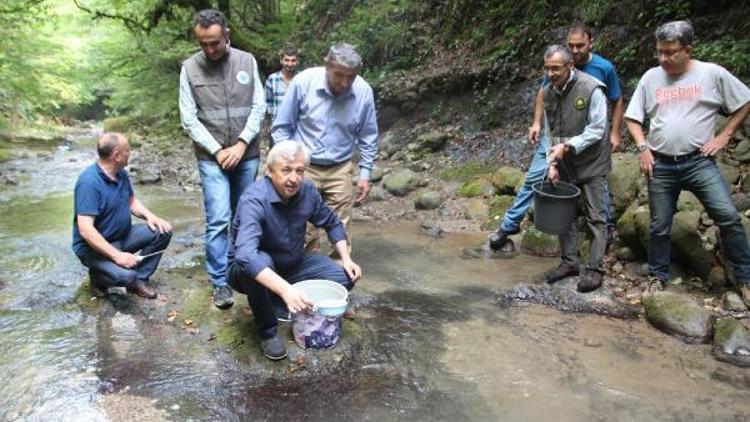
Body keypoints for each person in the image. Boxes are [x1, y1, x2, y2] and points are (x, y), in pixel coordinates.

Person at [625, 21, 750, 304]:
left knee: (729, 217)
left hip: (699, 161)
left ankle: (745, 278)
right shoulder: (651, 78)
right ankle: (657, 277)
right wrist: (643, 148)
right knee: (659, 226)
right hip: (661, 163)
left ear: (688, 50)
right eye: (660, 52)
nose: (663, 59)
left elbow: (744, 101)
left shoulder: (712, 74)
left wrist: (724, 136)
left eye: (670, 52)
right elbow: (633, 119)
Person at [490, 23, 623, 251]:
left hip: (587, 134)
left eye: (579, 45)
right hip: (556, 133)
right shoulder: (556, 65)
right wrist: (537, 122)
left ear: (591, 42)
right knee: (535, 176)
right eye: (571, 45)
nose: (575, 50)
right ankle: (509, 224)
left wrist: (615, 132)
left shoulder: (603, 68)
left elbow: (616, 99)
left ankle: (605, 228)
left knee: (596, 179)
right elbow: (544, 92)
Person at [228, 140, 362, 360]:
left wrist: (346, 259)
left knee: (345, 277)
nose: (294, 178)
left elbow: (332, 223)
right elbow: (245, 256)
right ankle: (268, 331)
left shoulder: (307, 190)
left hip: (292, 264)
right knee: (257, 262)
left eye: (300, 171)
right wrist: (285, 290)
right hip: (249, 271)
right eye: (286, 170)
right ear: (270, 171)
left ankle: (278, 300)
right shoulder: (254, 200)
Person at [179, 9, 266, 310]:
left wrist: (241, 145)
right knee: (218, 219)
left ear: (226, 35)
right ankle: (219, 283)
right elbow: (189, 119)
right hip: (210, 157)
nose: (209, 50)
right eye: (203, 44)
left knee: (245, 216)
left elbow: (259, 106)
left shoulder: (247, 61)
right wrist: (218, 150)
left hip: (247, 154)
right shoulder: (189, 69)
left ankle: (244, 270)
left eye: (215, 42)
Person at [271, 42, 379, 254]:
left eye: (351, 76)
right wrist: (287, 167)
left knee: (341, 230)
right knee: (302, 227)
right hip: (304, 167)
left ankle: (340, 279)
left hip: (340, 167)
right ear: (327, 65)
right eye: (339, 75)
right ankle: (304, 276)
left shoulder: (363, 91)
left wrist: (365, 174)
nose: (345, 82)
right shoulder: (303, 82)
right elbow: (282, 127)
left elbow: (368, 135)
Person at [541, 45, 611, 293]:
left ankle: (595, 269)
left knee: (596, 216)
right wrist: (551, 164)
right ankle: (569, 262)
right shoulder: (548, 93)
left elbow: (597, 129)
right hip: (564, 162)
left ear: (570, 65)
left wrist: (568, 146)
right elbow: (550, 133)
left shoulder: (591, 88)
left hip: (592, 162)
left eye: (556, 68)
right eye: (547, 68)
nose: (551, 74)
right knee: (565, 214)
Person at [72, 132, 172, 299]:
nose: (130, 153)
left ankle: (139, 280)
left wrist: (150, 216)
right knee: (126, 277)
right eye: (127, 149)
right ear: (116, 155)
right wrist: (117, 257)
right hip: (94, 249)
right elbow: (86, 230)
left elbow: (131, 201)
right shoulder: (89, 183)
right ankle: (98, 277)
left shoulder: (121, 173)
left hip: (122, 237)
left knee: (163, 231)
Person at [264, 46, 299, 146]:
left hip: (297, 129)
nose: (290, 64)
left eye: (293, 60)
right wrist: (272, 119)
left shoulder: (301, 79)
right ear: (281, 61)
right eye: (287, 60)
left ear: (297, 62)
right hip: (277, 128)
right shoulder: (273, 79)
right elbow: (267, 102)